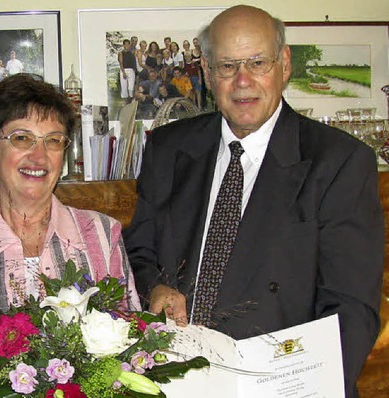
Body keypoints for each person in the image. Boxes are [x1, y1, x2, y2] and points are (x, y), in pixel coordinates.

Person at [123, 5, 383, 398]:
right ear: (208, 73)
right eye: (227, 66)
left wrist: (296, 386)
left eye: (257, 62)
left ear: (284, 64)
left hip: (285, 386)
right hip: (173, 380)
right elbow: (138, 253)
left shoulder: (340, 162)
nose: (243, 81)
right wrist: (154, 289)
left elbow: (351, 310)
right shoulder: (168, 148)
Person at [0, 74, 141, 397]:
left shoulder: (103, 235)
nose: (39, 156)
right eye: (22, 138)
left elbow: (132, 344)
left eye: (53, 140)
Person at [118, 38, 136, 104]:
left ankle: (131, 99)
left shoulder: (131, 53)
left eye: (128, 44)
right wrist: (123, 72)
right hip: (124, 70)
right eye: (125, 44)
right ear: (123, 45)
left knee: (131, 86)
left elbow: (133, 62)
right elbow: (121, 63)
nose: (127, 46)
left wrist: (134, 70)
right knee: (124, 86)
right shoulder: (121, 53)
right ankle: (125, 101)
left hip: (131, 70)